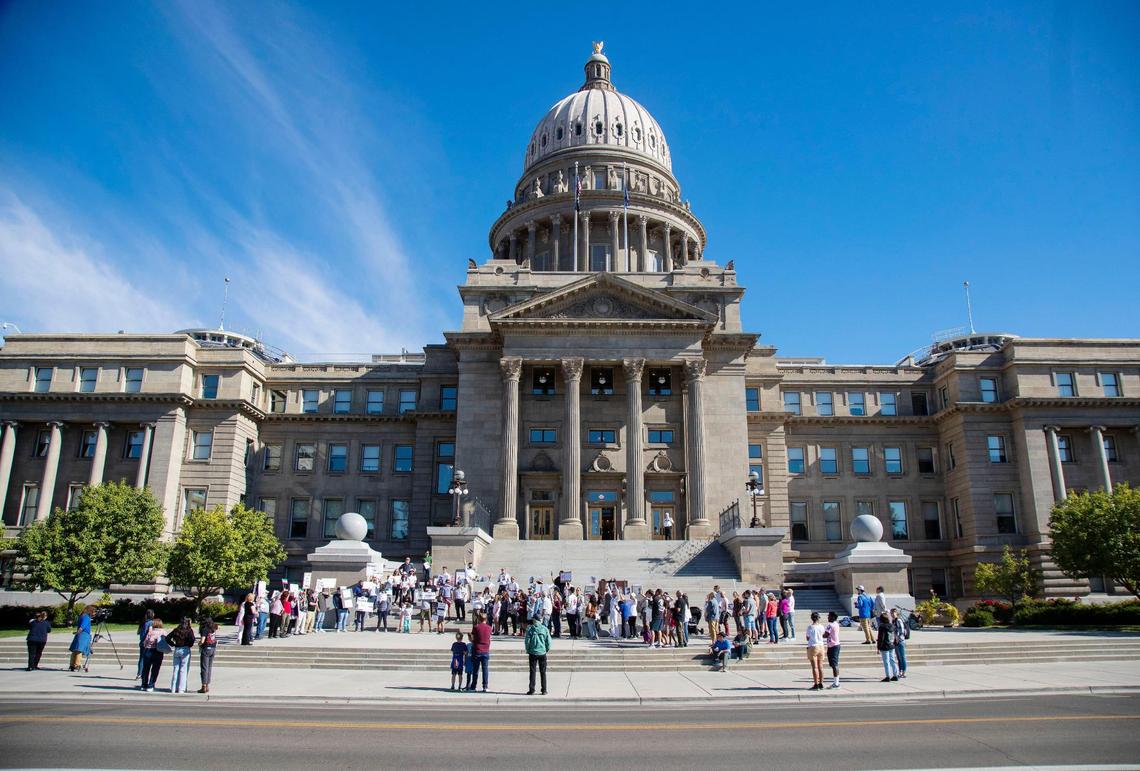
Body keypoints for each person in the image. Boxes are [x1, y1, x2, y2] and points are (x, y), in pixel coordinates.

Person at [525, 615, 552, 695]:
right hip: (542, 652)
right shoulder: (545, 629)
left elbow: (527, 641)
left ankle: (532, 689)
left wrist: (528, 649)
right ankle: (544, 689)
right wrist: (546, 649)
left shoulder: (530, 629)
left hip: (533, 652)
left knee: (532, 671)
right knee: (543, 672)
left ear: (534, 620)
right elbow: (549, 642)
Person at [168, 617, 196, 694]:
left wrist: (173, 644)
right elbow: (193, 639)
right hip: (185, 649)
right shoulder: (189, 631)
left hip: (177, 649)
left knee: (176, 668)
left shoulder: (176, 630)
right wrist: (189, 645)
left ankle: (173, 688)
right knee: (183, 669)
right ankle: (181, 689)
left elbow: (167, 638)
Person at [468, 613, 492, 692]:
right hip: (485, 650)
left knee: (475, 670)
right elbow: (489, 639)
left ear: (479, 619)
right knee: (485, 669)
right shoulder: (489, 628)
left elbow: (472, 638)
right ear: (486, 619)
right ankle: (485, 686)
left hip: (477, 650)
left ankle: (473, 686)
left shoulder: (476, 627)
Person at [140, 619, 165, 692]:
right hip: (158, 651)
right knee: (155, 669)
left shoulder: (150, 631)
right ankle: (151, 685)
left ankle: (144, 684)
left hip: (148, 650)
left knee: (146, 669)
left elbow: (145, 641)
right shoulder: (163, 632)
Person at [805, 611, 826, 690]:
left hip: (813, 646)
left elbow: (807, 638)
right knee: (821, 666)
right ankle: (821, 683)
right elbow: (823, 634)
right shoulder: (821, 626)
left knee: (814, 667)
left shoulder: (810, 627)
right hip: (821, 646)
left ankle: (816, 684)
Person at [68, 607, 93, 671]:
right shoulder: (86, 617)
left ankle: (72, 665)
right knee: (79, 650)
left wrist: (77, 633)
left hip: (79, 634)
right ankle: (77, 664)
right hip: (84, 634)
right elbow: (83, 626)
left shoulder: (81, 616)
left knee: (75, 650)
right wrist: (78, 631)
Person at [877, 612, 899, 682]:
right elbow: (894, 635)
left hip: (885, 646)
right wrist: (895, 643)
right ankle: (896, 675)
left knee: (886, 661)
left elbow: (881, 638)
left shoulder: (882, 627)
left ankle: (888, 676)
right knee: (892, 660)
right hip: (891, 644)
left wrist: (878, 647)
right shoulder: (892, 626)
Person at [197, 618, 218, 693]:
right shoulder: (212, 629)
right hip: (213, 649)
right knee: (209, 667)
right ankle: (207, 685)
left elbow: (202, 641)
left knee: (204, 668)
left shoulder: (204, 629)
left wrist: (199, 644)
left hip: (206, 649)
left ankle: (204, 686)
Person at [824, 611, 842, 689]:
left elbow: (826, 635)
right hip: (835, 645)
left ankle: (836, 683)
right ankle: (836, 681)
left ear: (833, 617)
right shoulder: (836, 624)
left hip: (833, 646)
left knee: (834, 664)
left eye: (829, 616)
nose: (828, 617)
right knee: (834, 664)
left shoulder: (830, 625)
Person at [890, 608, 909, 679]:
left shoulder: (898, 620)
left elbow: (901, 630)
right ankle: (900, 670)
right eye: (891, 613)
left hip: (900, 641)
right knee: (898, 657)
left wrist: (898, 638)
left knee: (902, 656)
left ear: (896, 613)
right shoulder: (893, 621)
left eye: (893, 613)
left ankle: (903, 671)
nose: (892, 614)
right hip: (895, 641)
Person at [136, 609, 155, 678]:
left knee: (141, 658)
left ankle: (139, 673)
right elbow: (151, 632)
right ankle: (144, 673)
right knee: (148, 659)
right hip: (147, 642)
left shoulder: (142, 622)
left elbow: (138, 632)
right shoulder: (151, 623)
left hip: (141, 642)